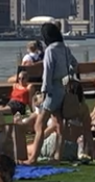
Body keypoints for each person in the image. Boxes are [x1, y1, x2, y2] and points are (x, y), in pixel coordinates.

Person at [25, 22, 77, 164]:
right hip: (63, 87)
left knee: (39, 124)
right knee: (60, 125)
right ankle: (57, 156)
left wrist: (44, 91)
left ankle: (33, 158)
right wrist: (68, 75)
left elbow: (47, 72)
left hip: (52, 89)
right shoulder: (65, 49)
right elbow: (75, 64)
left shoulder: (50, 50)